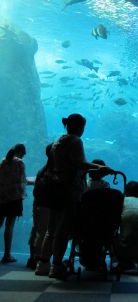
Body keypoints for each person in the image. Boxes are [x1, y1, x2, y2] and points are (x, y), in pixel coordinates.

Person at [35, 114, 114, 279]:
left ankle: (42, 264)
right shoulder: (75, 140)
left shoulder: (59, 141)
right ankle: (56, 266)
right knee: (63, 230)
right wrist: (100, 168)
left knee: (51, 229)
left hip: (55, 189)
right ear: (80, 127)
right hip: (68, 190)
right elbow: (80, 163)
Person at [27, 143, 54, 269]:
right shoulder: (53, 170)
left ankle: (32, 257)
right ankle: (38, 259)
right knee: (43, 232)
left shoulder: (42, 169)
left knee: (36, 230)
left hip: (38, 204)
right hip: (46, 205)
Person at [0, 144, 27, 264]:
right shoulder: (20, 163)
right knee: (9, 226)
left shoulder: (3, 161)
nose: (25, 154)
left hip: (1, 197)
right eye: (24, 152)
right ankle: (7, 255)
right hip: (14, 198)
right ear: (20, 151)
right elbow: (22, 181)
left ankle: (7, 254)